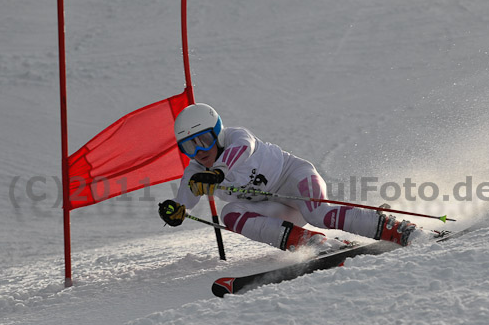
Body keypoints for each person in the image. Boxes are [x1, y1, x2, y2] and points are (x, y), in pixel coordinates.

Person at [158, 103, 423, 252]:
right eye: (189, 147)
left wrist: (218, 173)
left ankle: (397, 228)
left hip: (295, 179)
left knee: (319, 214)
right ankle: (312, 243)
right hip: (273, 207)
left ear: (217, 133)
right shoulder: (196, 172)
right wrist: (175, 211)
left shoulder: (236, 137)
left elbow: (243, 150)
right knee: (230, 213)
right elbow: (184, 201)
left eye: (204, 140)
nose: (200, 152)